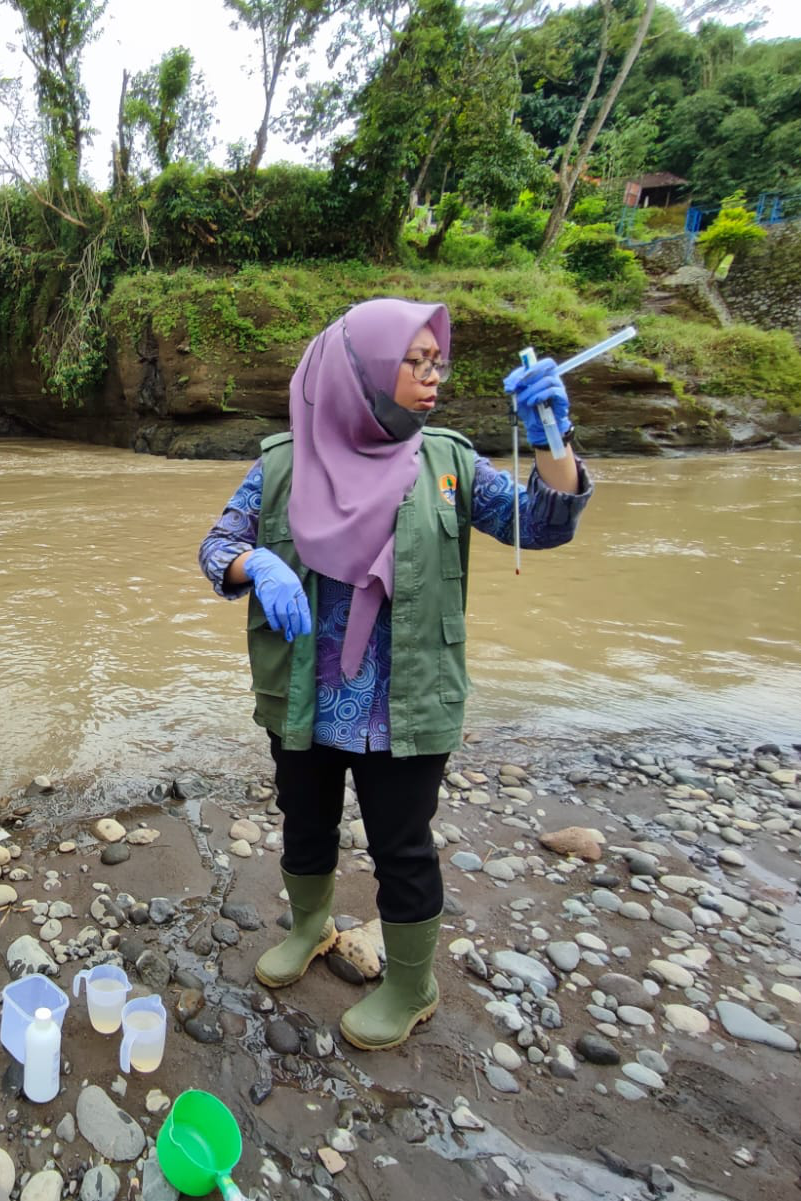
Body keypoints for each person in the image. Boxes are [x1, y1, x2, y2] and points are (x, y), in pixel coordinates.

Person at [197, 298, 592, 1051]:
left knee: (401, 846)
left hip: (404, 703)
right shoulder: (283, 463)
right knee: (304, 823)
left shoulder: (446, 462)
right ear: (361, 370)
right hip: (305, 699)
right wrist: (256, 562)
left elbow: (540, 523)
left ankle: (412, 984)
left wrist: (551, 436)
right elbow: (216, 546)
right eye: (415, 361)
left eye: (435, 361)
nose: (432, 376)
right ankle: (311, 927)